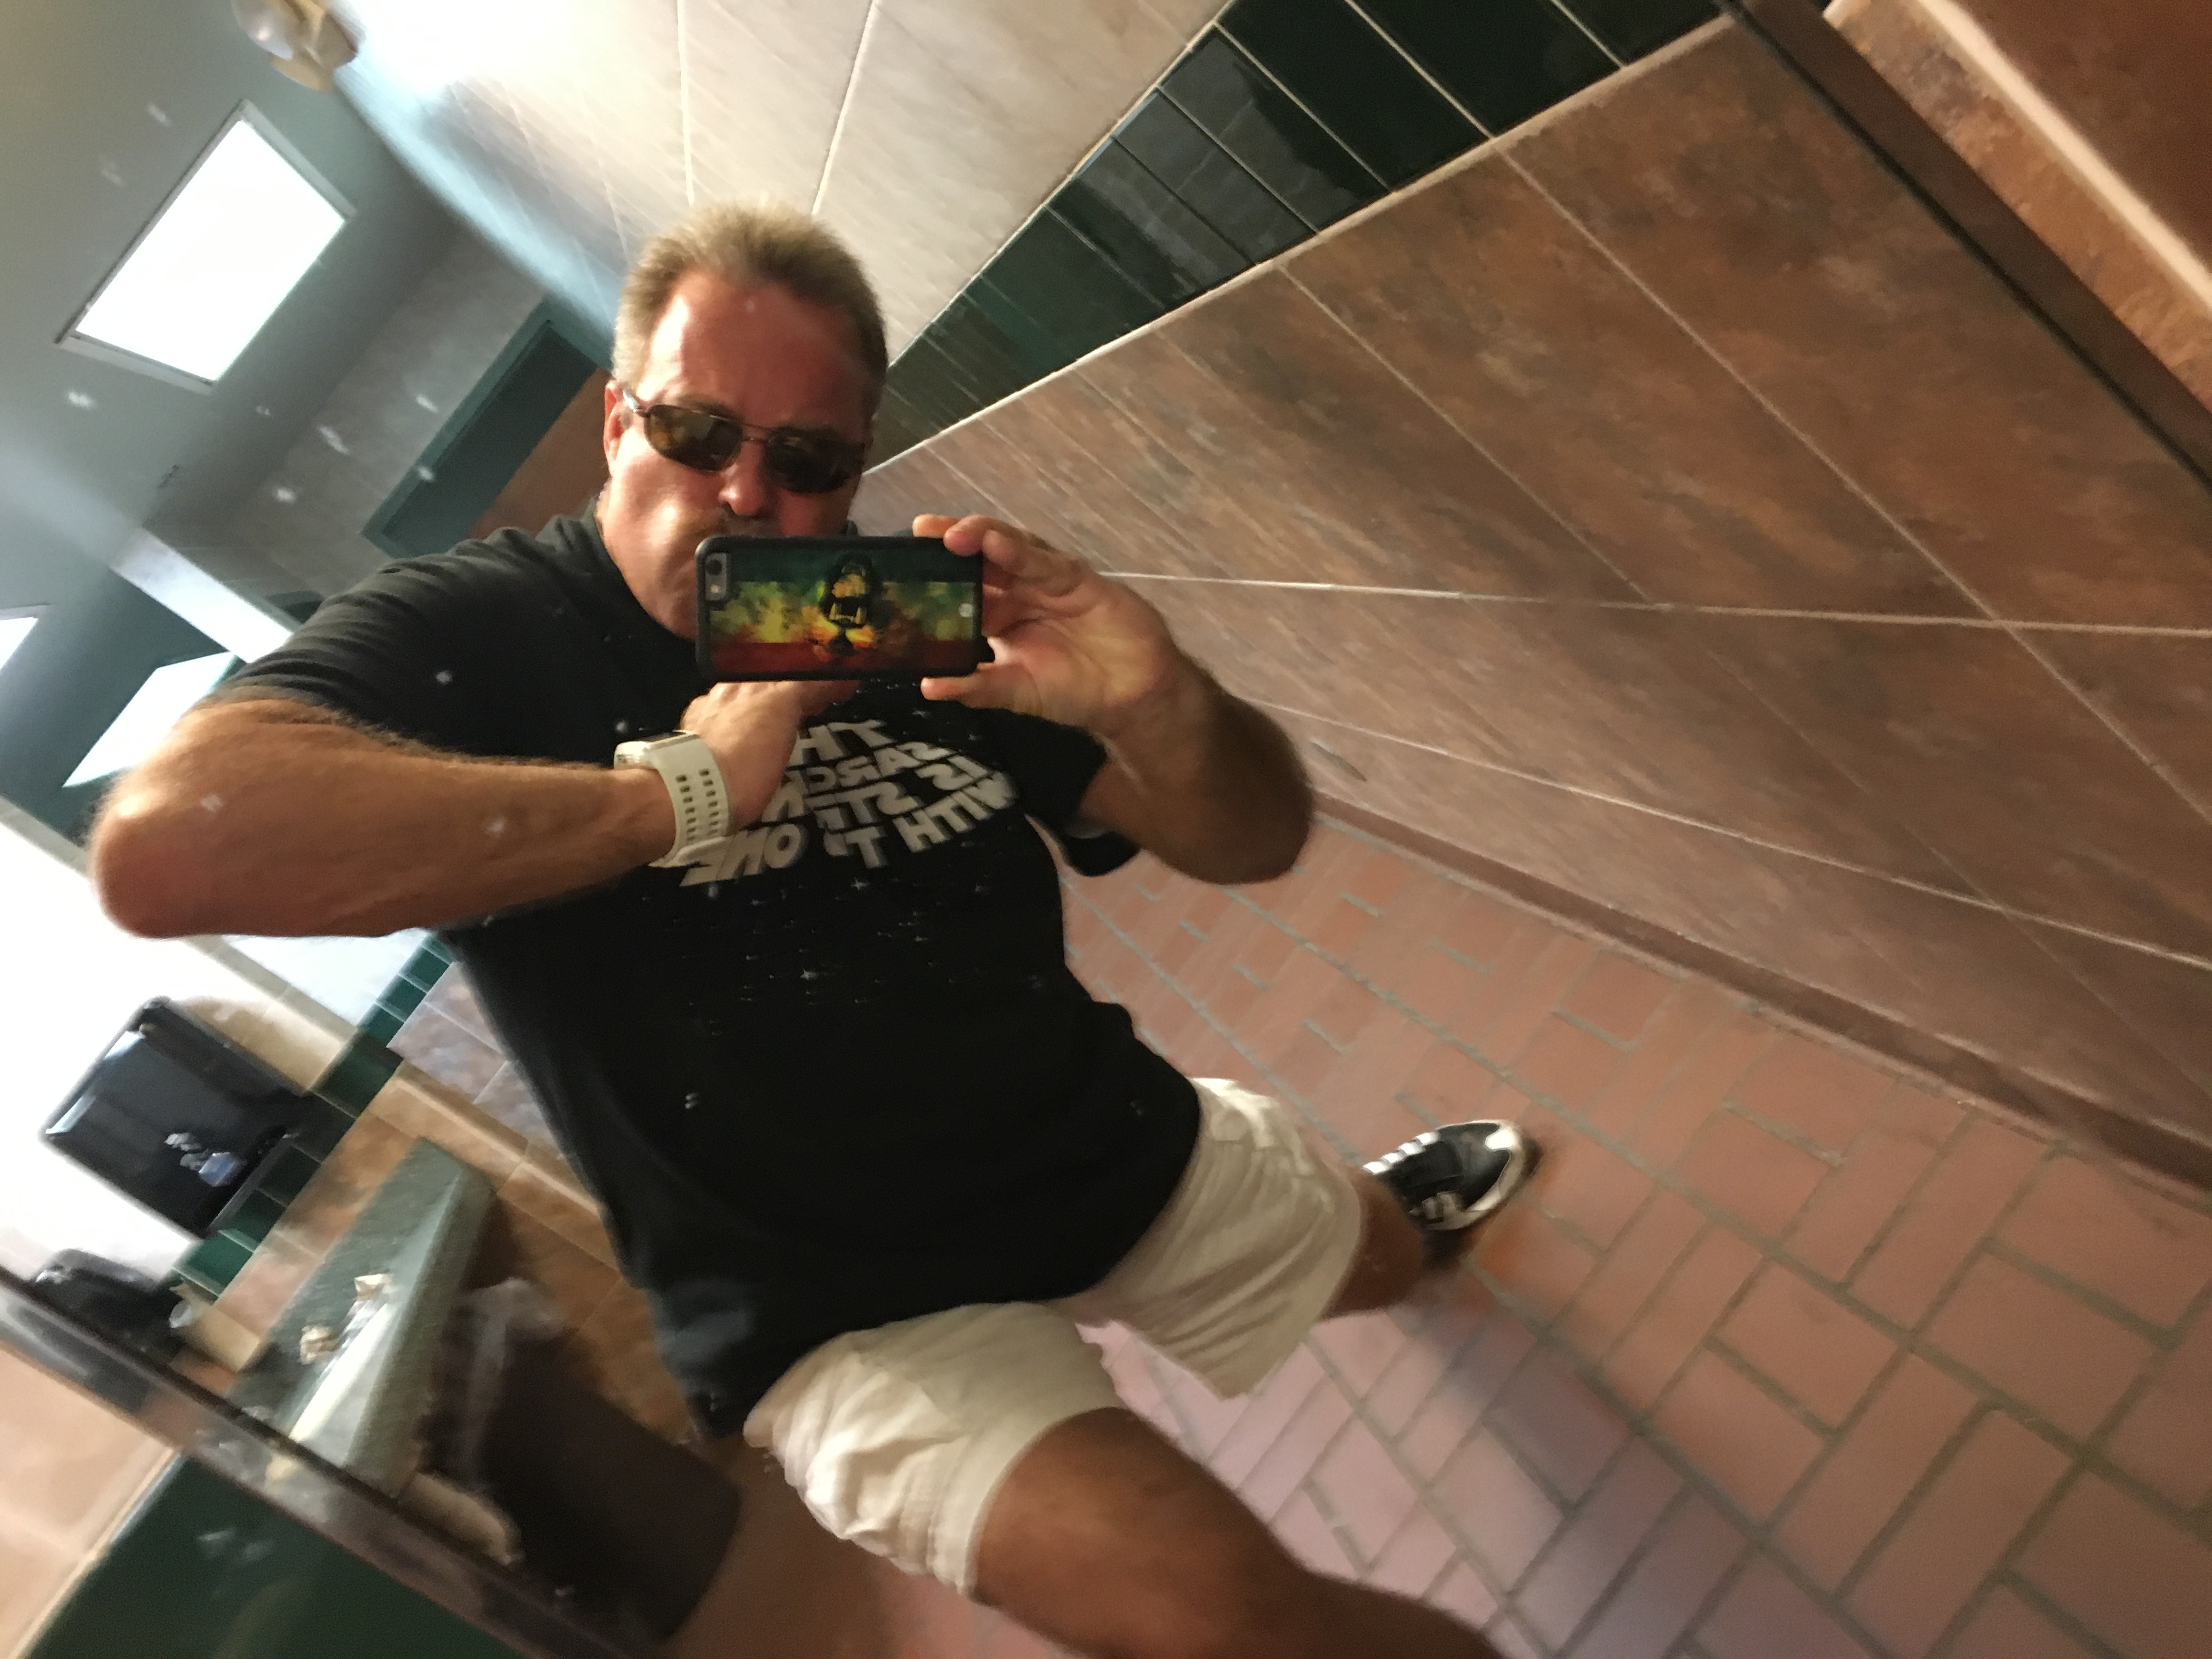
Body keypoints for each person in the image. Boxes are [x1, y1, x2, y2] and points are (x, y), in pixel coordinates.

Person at [93, 201, 1533, 1659]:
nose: (742, 491)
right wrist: (676, 796)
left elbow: (1254, 839)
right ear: (617, 423)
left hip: (1092, 1137)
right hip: (828, 1306)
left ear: (852, 470)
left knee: (1375, 1254)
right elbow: (166, 849)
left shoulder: (883, 614)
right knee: (1233, 1624)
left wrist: (1157, 705)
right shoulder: (479, 634)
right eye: (696, 431)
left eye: (805, 461)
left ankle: (1387, 1214)